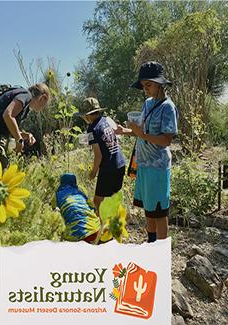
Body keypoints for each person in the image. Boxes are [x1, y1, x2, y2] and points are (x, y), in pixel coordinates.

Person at [116, 61, 178, 242]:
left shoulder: (168, 107)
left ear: (160, 84)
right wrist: (125, 131)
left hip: (158, 168)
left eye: (148, 85)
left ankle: (161, 250)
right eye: (143, 86)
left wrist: (140, 133)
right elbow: (142, 133)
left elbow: (166, 140)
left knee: (159, 212)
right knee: (149, 211)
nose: (145, 89)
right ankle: (151, 245)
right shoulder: (148, 104)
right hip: (143, 165)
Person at [0, 83, 50, 171]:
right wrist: (19, 140)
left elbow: (8, 127)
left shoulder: (24, 104)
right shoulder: (26, 95)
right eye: (45, 104)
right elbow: (8, 115)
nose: (43, 107)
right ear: (43, 98)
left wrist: (24, 135)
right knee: (2, 177)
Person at [77, 97, 126, 214]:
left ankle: (100, 228)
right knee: (114, 199)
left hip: (108, 168)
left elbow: (98, 155)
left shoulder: (91, 129)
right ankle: (116, 225)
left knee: (97, 201)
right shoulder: (106, 120)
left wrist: (93, 172)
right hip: (120, 163)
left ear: (88, 115)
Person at [56, 173, 101, 243]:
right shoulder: (79, 193)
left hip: (75, 235)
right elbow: (94, 208)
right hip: (95, 230)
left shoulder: (57, 195)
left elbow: (55, 213)